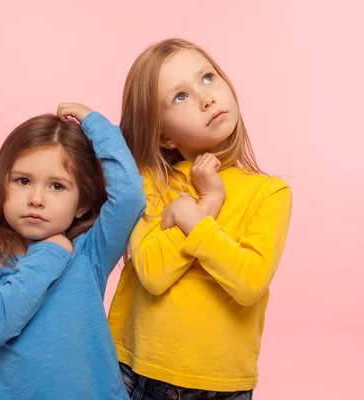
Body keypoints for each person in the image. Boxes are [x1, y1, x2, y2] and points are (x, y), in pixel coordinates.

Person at [108, 39, 293, 399]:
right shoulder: (150, 182)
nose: (205, 97)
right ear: (162, 134)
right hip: (136, 373)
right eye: (180, 96)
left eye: (207, 78)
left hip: (220, 387)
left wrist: (192, 217)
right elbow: (154, 273)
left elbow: (249, 283)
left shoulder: (269, 193)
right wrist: (208, 203)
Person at [0, 103, 145, 399]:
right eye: (23, 181)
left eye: (57, 186)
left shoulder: (88, 253)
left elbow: (130, 196)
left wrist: (95, 125)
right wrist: (49, 254)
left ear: (82, 203)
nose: (36, 199)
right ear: (2, 187)